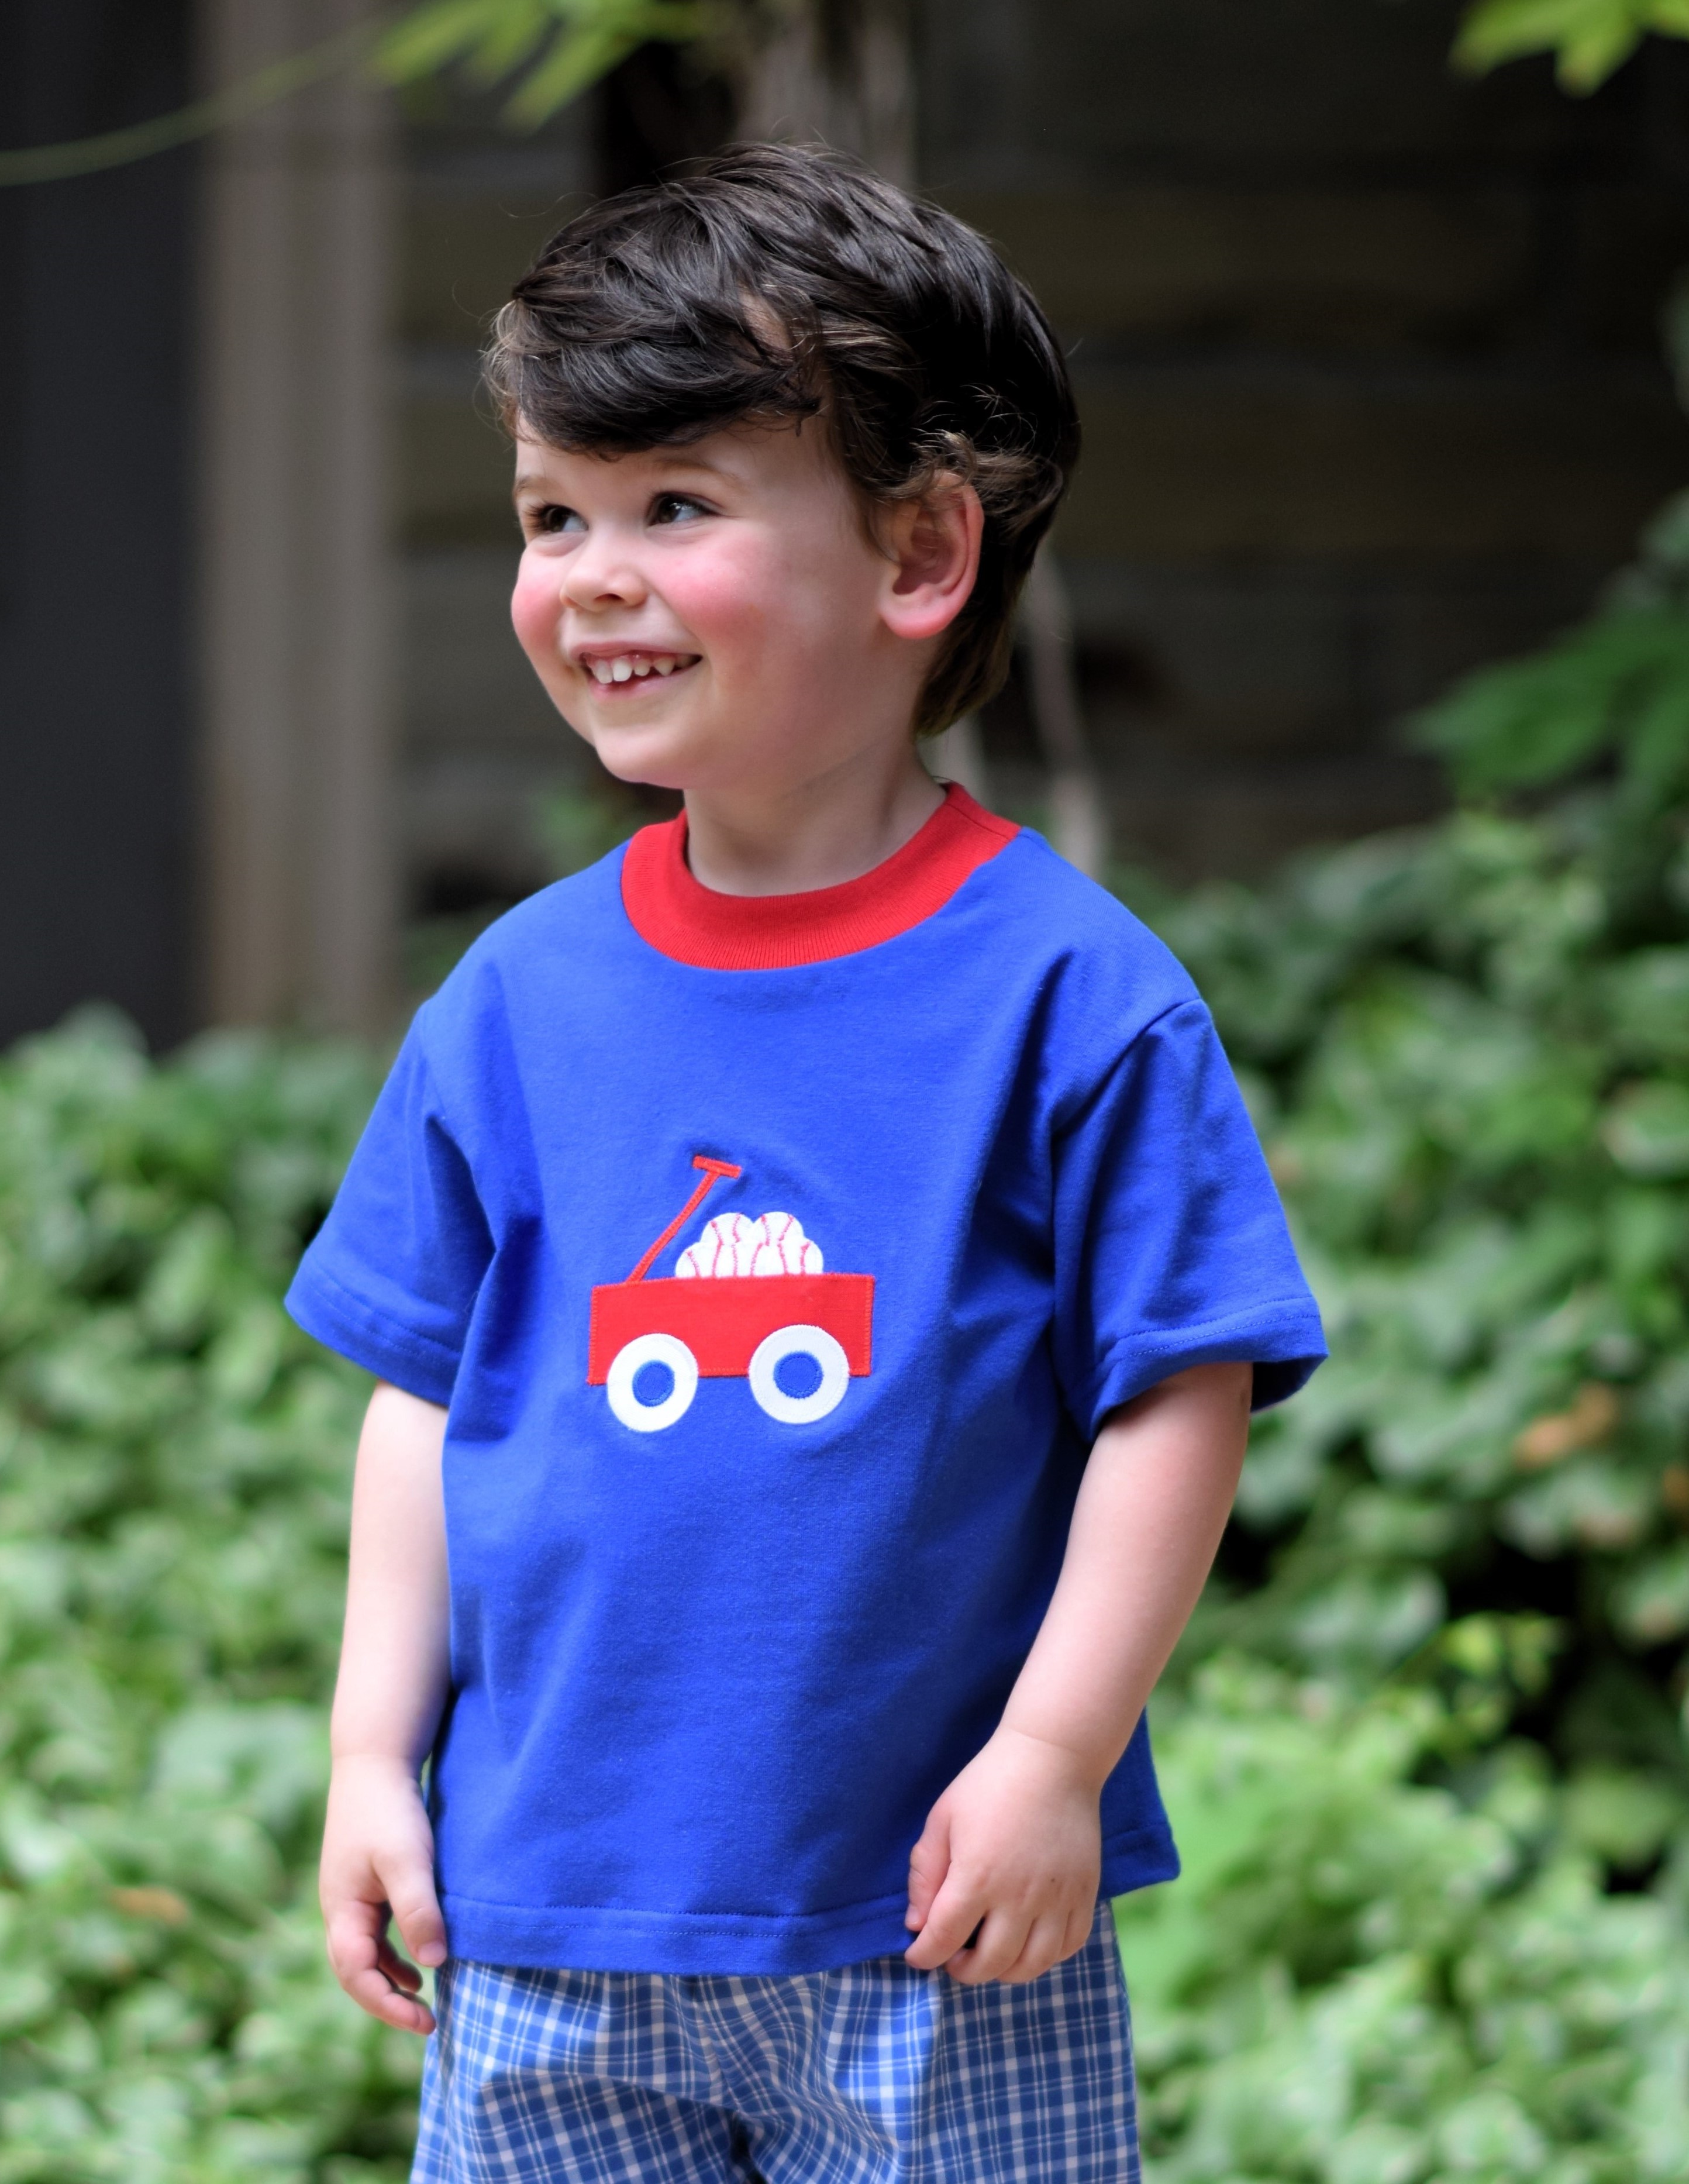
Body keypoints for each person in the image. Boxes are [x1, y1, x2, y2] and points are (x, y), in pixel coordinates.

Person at [288, 141, 1325, 2184]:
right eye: (550, 514)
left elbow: (1179, 1389)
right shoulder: (515, 1001)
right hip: (551, 1913)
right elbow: (431, 1393)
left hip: (926, 1916)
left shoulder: (1069, 996)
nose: (591, 572)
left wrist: (1053, 1759)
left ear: (919, 552)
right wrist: (365, 1755)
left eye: (674, 506)